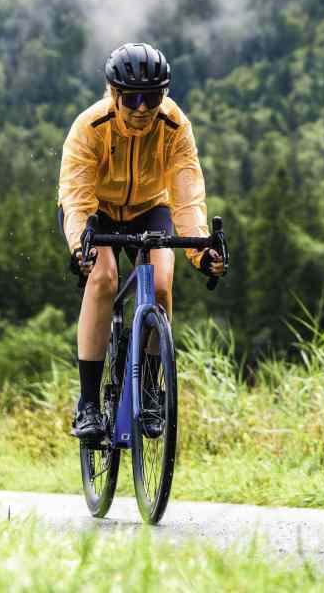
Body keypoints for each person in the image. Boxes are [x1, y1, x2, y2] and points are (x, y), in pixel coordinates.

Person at [57, 42, 226, 440]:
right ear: (113, 94)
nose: (141, 108)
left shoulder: (174, 125)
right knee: (103, 280)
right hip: (95, 210)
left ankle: (150, 391)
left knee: (162, 286)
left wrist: (202, 251)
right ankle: (88, 404)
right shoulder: (90, 127)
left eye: (151, 96)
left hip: (151, 206)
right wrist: (81, 247)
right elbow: (77, 197)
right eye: (131, 97)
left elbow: (187, 194)